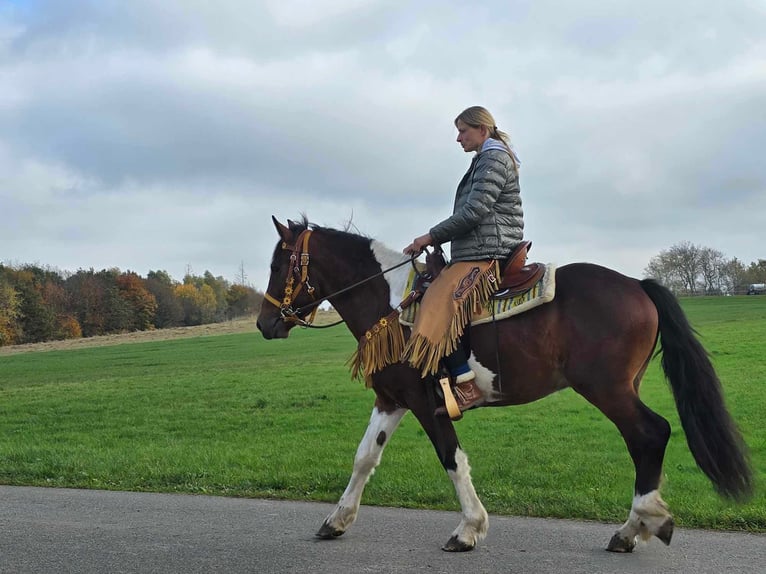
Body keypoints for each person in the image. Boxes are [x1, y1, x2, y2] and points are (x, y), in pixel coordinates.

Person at [402, 105, 524, 415]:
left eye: (463, 131)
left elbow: (474, 212)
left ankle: (466, 385)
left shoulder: (493, 157)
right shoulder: (485, 158)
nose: (458, 138)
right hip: (478, 247)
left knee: (438, 300)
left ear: (482, 130)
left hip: (488, 250)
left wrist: (429, 237)